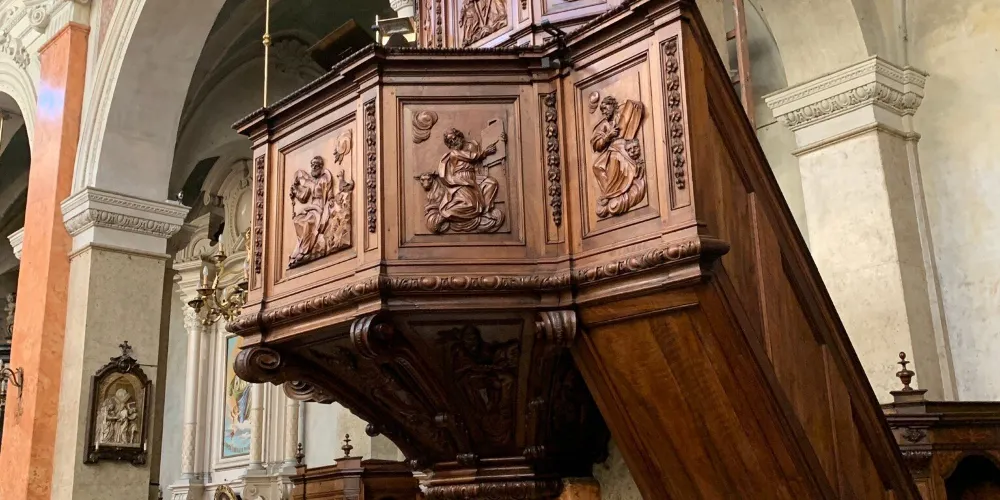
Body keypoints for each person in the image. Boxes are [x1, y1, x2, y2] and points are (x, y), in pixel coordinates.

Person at [591, 96, 646, 217]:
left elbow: (634, 112)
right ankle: (610, 192)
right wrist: (608, 136)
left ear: (612, 105)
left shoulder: (622, 114)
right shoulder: (605, 124)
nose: (604, 112)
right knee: (597, 166)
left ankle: (612, 193)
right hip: (612, 148)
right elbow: (597, 144)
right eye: (602, 110)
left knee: (616, 158)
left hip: (623, 147)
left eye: (605, 108)